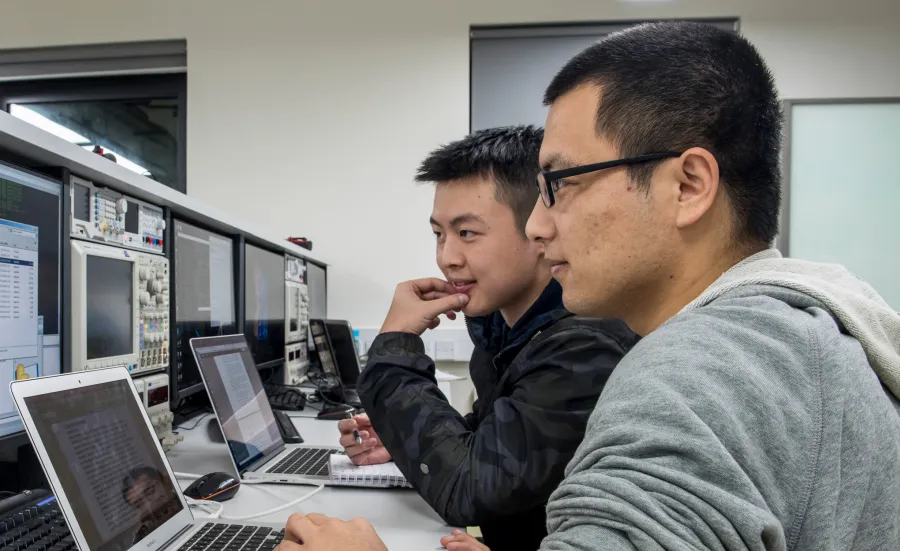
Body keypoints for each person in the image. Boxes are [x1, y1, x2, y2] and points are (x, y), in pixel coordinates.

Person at [275, 22, 900, 551]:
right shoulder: (795, 333)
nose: (540, 226)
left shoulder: (697, 376)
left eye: (562, 183)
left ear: (687, 187)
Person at [336, 126, 638, 551]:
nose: (447, 257)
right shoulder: (505, 330)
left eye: (467, 233)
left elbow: (470, 491)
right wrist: (403, 441)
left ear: (539, 231)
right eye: (439, 234)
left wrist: (396, 340)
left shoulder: (582, 347)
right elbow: (491, 445)